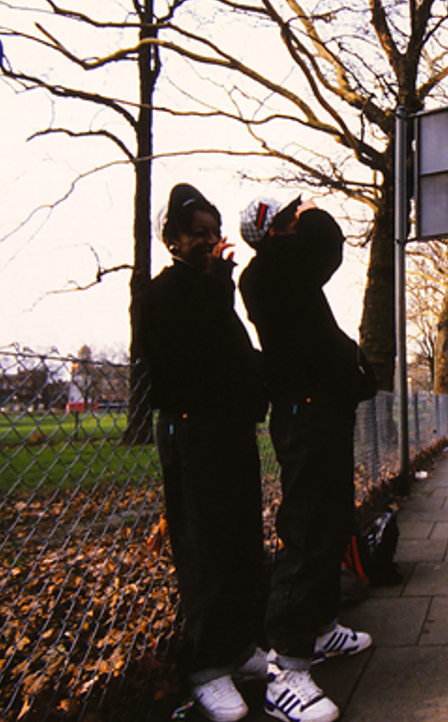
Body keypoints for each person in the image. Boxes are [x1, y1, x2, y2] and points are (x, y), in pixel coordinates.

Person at [239, 195, 373, 722]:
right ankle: (287, 667)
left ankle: (319, 627)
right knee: (306, 526)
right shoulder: (268, 271)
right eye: (290, 218)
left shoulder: (286, 269)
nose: (303, 219)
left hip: (323, 408)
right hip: (304, 413)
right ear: (273, 233)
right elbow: (326, 241)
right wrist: (307, 220)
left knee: (332, 517)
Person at [139, 183, 269, 722]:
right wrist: (219, 285)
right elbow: (181, 350)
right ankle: (206, 666)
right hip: (192, 437)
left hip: (231, 432)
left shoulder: (213, 288)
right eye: (199, 235)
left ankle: (239, 648)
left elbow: (232, 354)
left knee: (242, 542)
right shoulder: (162, 292)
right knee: (206, 546)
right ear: (171, 240)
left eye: (215, 233)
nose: (213, 243)